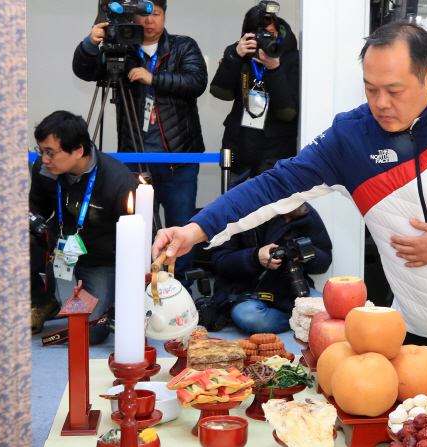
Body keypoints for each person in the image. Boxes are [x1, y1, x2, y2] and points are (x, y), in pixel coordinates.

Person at [152, 21, 427, 447]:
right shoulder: (351, 137)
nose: (380, 102)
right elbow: (272, 187)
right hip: (419, 333)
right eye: (370, 88)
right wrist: (196, 228)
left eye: (394, 89)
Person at [72, 0, 207, 290]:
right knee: (136, 227)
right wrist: (90, 44)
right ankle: (139, 287)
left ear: (164, 15)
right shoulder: (121, 47)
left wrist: (153, 78)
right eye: (142, 16)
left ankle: (178, 289)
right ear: (131, 18)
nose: (149, 22)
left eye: (155, 15)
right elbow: (85, 72)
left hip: (178, 158)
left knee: (182, 226)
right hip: (132, 157)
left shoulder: (183, 46)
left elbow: (196, 82)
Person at [29, 111, 137, 344]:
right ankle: (41, 299)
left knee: (91, 332)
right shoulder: (44, 168)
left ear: (78, 151)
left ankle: (96, 299)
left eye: (50, 152)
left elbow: (133, 238)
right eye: (41, 151)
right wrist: (33, 221)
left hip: (98, 259)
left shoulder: (117, 179)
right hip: (57, 247)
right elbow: (35, 205)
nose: (44, 159)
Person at [211, 159, 332, 334]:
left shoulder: (301, 211)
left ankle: (298, 319)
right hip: (244, 292)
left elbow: (325, 259)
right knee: (250, 317)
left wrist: (308, 255)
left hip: (290, 289)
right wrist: (254, 257)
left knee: (329, 309)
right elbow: (219, 261)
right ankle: (299, 321)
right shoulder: (231, 208)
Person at [209, 1, 299, 177]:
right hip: (238, 150)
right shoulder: (237, 53)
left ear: (279, 33)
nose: (266, 39)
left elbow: (287, 112)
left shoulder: (292, 58)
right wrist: (234, 57)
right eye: (260, 34)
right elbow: (220, 92)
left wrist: (274, 69)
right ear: (246, 34)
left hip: (275, 156)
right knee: (235, 203)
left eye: (271, 34)